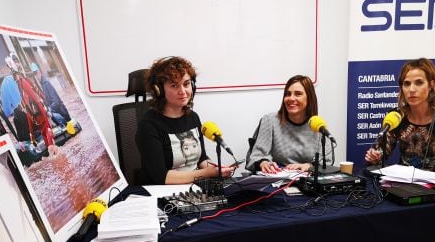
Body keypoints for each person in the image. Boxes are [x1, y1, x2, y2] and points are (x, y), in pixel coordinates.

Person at [135, 56, 237, 184]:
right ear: (159, 90)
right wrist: (207, 173)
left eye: (186, 84)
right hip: (163, 193)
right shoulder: (149, 125)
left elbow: (201, 160)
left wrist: (217, 169)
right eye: (174, 86)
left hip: (196, 188)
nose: (182, 91)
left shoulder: (193, 117)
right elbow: (161, 176)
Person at [364, 58, 435, 181]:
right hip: (402, 185)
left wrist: (433, 187)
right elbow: (382, 153)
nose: (411, 89)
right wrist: (376, 157)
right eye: (407, 83)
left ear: (431, 85)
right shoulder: (397, 116)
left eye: (419, 82)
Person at [246, 74, 320, 173]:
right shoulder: (270, 120)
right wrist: (263, 163)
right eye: (288, 94)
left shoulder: (318, 124)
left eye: (298, 94)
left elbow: (327, 162)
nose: (291, 98)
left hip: (308, 181)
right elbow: (253, 158)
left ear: (309, 98)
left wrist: (309, 166)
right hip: (279, 179)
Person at [30, 62, 72, 127]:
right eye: (34, 74)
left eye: (36, 73)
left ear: (39, 71)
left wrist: (49, 109)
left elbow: (56, 101)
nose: (36, 75)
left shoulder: (46, 83)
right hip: (57, 116)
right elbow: (48, 100)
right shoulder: (42, 84)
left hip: (62, 114)